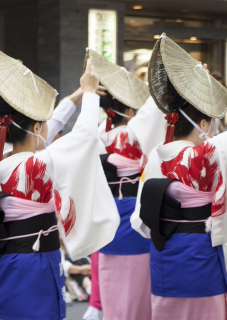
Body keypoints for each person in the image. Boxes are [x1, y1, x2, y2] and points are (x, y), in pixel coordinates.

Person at [0, 34, 118, 320]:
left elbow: (44, 130)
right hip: (35, 262)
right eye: (44, 123)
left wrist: (74, 98)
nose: (50, 128)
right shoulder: (39, 164)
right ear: (37, 126)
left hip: (6, 261)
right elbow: (85, 136)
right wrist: (87, 93)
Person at [131, 34, 227, 320]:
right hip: (199, 250)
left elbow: (141, 220)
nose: (214, 128)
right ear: (202, 123)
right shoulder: (208, 151)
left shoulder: (156, 154)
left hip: (164, 253)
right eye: (211, 122)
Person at [87, 48, 164, 320]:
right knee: (140, 294)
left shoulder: (98, 137)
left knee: (113, 291)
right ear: (130, 109)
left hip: (108, 214)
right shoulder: (136, 130)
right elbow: (155, 109)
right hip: (136, 214)